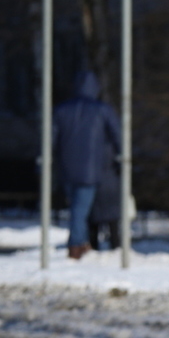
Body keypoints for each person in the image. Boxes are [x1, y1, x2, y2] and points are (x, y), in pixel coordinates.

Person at [53, 70, 122, 260]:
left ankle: (81, 242)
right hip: (91, 170)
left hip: (66, 168)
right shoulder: (102, 110)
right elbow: (118, 135)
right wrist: (122, 157)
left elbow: (50, 139)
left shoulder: (61, 110)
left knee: (77, 208)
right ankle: (76, 245)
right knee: (80, 209)